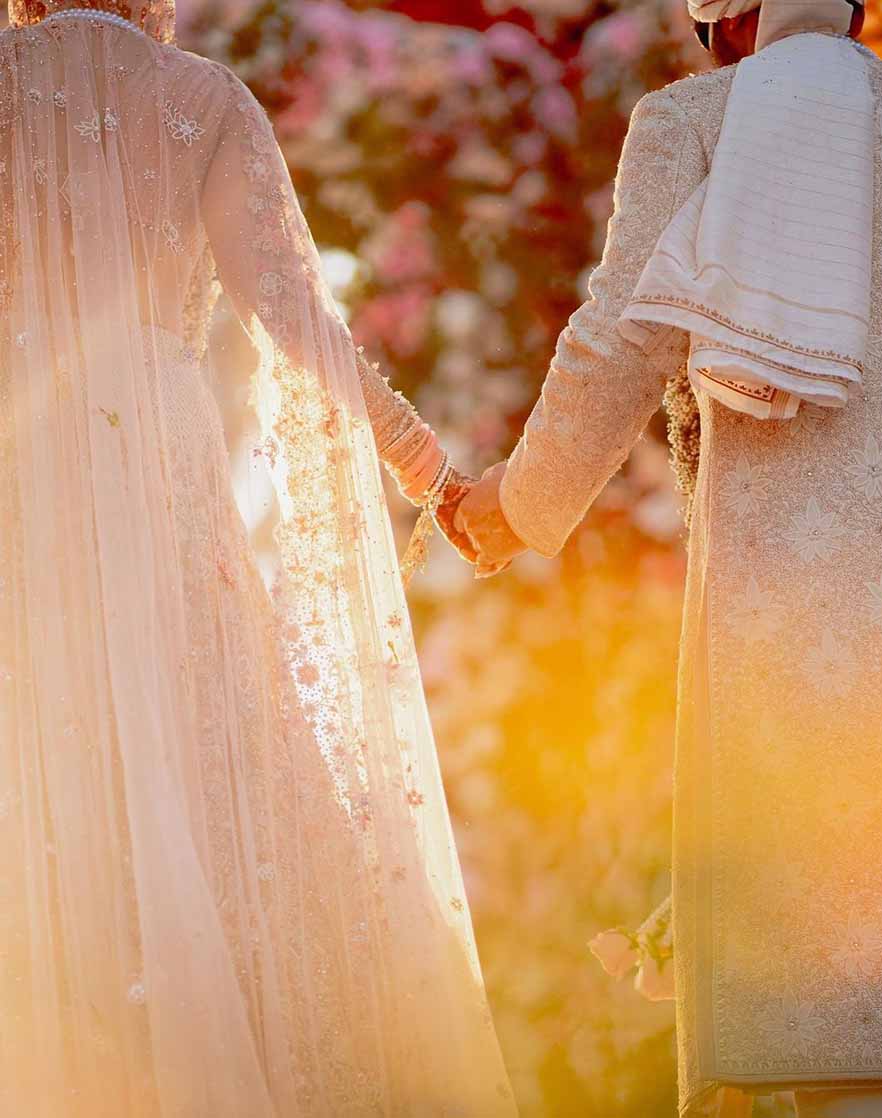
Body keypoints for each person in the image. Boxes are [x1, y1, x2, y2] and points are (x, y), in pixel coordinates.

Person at [0, 1, 516, 1114]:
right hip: (150, 480)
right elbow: (297, 324)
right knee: (200, 777)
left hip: (15, 484)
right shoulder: (198, 102)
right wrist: (431, 471)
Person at [456, 2, 882, 1116]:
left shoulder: (697, 119)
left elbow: (624, 334)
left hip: (792, 615)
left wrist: (517, 504)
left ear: (728, 16)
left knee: (823, 1007)